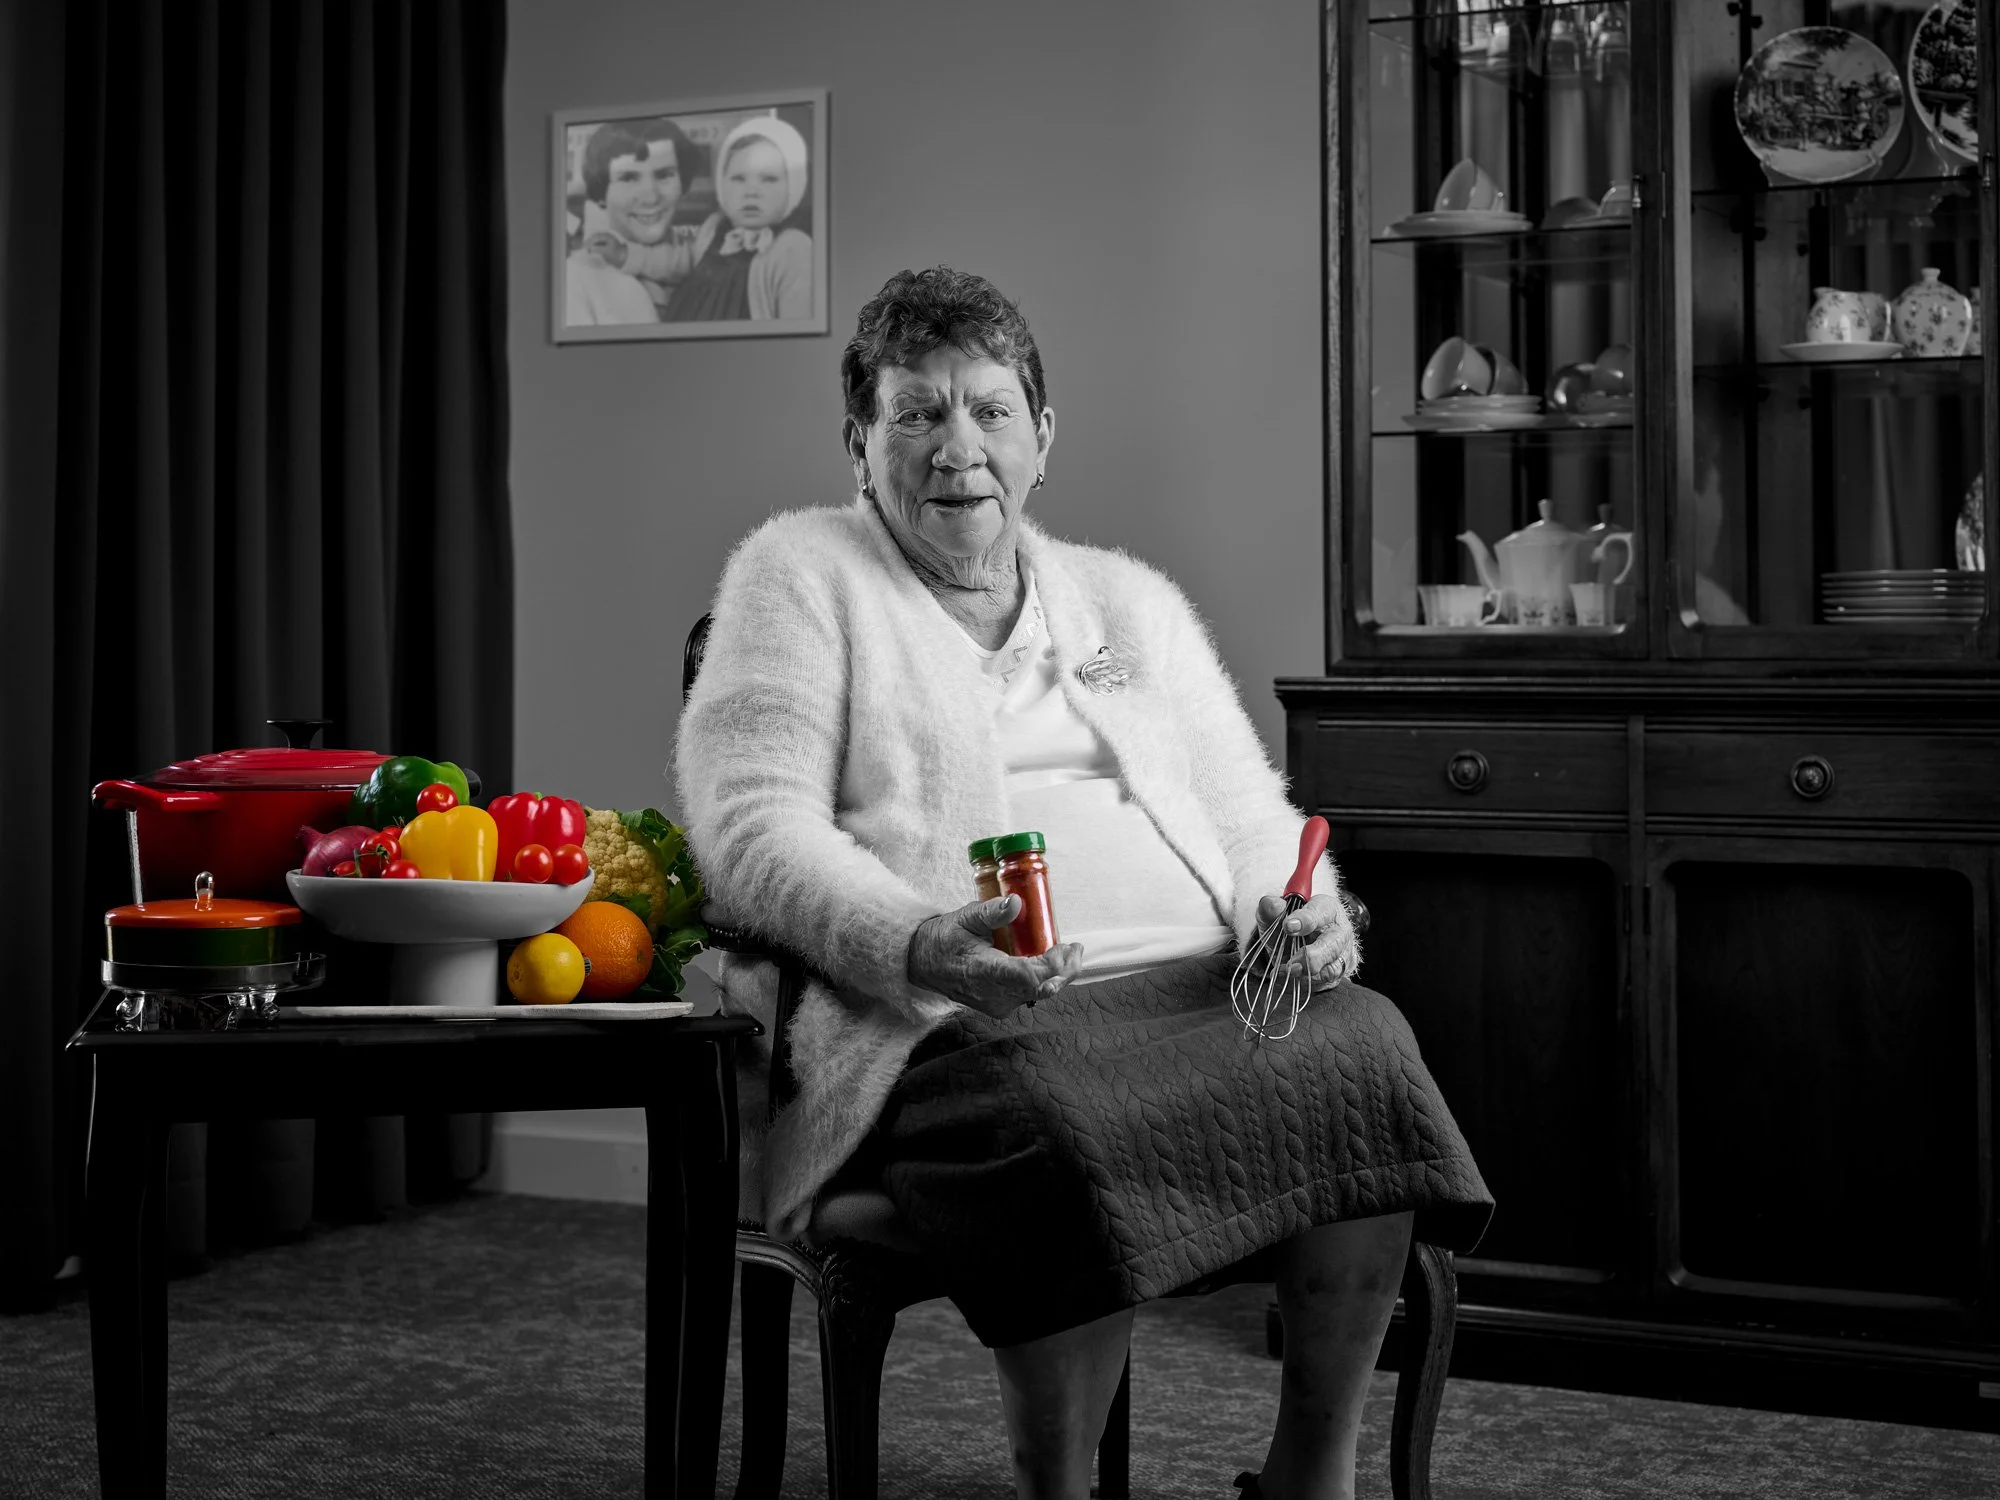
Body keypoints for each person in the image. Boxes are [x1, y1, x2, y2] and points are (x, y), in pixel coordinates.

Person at [676, 267, 1492, 1500]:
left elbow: (1245, 812)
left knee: (1366, 1047)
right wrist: (916, 942)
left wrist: (1307, 912)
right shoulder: (799, 577)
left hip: (1202, 998)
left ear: (1043, 436)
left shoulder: (1126, 599)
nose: (959, 452)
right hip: (958, 1024)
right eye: (918, 414)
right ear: (860, 441)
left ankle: (1307, 1476)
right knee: (1057, 1116)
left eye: (991, 413)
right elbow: (749, 833)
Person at [660, 114, 813, 322]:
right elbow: (679, 261)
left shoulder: (793, 248)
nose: (751, 192)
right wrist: (625, 255)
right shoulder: (714, 228)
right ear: (722, 185)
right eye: (739, 179)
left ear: (793, 187)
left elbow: (798, 330)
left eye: (768, 179)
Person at [563, 117, 701, 325]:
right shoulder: (575, 278)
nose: (651, 197)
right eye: (629, 178)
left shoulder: (708, 258)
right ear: (602, 193)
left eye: (664, 175)